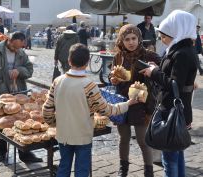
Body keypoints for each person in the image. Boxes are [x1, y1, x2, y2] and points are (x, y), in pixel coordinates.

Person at [42, 43, 138, 177]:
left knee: (64, 166)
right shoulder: (89, 85)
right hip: (82, 136)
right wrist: (127, 104)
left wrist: (55, 123)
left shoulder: (57, 81)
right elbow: (106, 110)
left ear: (69, 60)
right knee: (82, 170)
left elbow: (46, 110)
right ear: (87, 63)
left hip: (63, 134)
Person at [139, 10, 198, 177]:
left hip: (173, 111)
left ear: (177, 32)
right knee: (177, 153)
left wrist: (154, 72)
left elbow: (174, 84)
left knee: (169, 157)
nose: (162, 39)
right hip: (178, 109)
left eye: (164, 36)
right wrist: (156, 68)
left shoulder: (181, 53)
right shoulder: (181, 49)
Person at [0, 32, 42, 163]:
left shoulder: (20, 53)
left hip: (19, 94)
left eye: (19, 47)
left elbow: (29, 69)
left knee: (22, 121)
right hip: (1, 95)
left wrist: (19, 70)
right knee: (1, 124)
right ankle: (1, 152)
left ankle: (25, 154)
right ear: (9, 40)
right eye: (14, 47)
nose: (17, 50)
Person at [109, 24, 160, 177]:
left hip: (142, 103)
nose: (131, 42)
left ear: (139, 39)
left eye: (134, 38)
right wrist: (113, 79)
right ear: (121, 41)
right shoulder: (118, 56)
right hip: (123, 102)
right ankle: (123, 168)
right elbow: (111, 75)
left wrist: (155, 68)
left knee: (142, 140)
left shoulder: (149, 55)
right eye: (127, 39)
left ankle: (148, 171)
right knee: (123, 138)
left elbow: (164, 67)